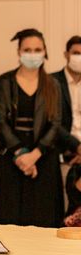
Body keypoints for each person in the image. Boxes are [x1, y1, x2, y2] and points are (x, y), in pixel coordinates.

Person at [0, 28, 63, 227]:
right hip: (12, 154)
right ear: (19, 52)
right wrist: (21, 154)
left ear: (45, 51)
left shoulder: (53, 84)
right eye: (27, 49)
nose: (32, 54)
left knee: (42, 218)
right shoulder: (5, 81)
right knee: (9, 217)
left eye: (37, 49)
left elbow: (56, 124)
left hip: (43, 156)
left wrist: (34, 155)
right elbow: (0, 121)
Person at [51, 35, 81, 224]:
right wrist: (77, 147)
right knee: (61, 215)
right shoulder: (52, 82)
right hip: (62, 157)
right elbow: (52, 123)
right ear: (66, 54)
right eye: (76, 53)